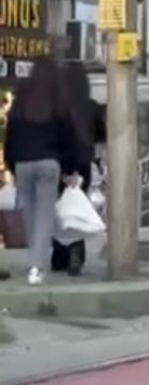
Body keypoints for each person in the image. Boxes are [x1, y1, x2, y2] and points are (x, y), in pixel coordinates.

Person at [4, 58, 77, 286]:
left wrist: (11, 164)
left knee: (29, 216)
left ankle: (33, 262)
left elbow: (10, 136)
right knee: (45, 216)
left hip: (23, 164)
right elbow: (68, 137)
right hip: (49, 163)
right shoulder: (58, 99)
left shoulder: (21, 100)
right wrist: (69, 169)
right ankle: (37, 267)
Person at [51, 62, 106, 277]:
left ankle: (60, 255)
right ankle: (76, 255)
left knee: (60, 210)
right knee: (77, 208)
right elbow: (102, 134)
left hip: (61, 164)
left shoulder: (57, 108)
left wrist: (65, 169)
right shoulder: (91, 107)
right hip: (83, 165)